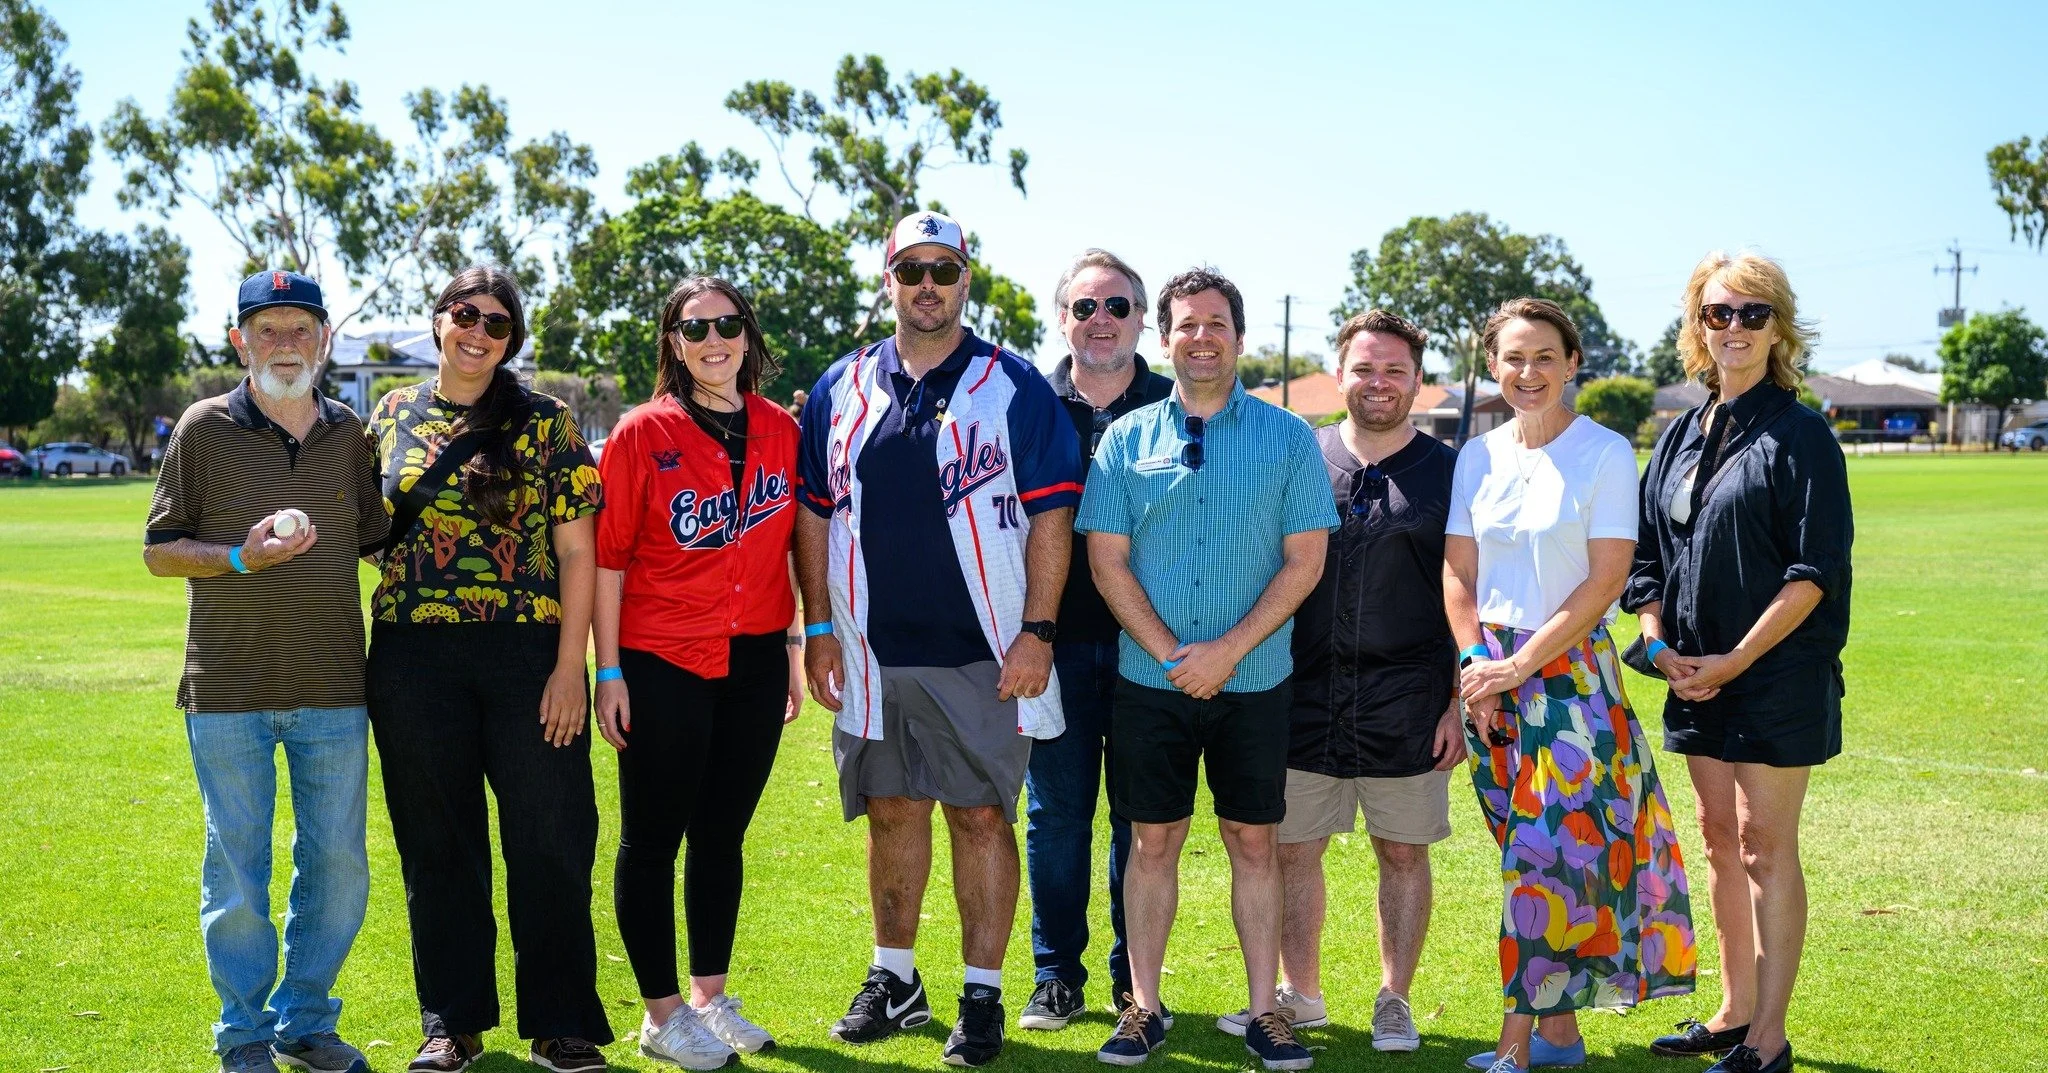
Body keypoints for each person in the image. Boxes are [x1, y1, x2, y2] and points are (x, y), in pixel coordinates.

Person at [795, 210, 1083, 1068]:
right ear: (889, 279)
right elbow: (813, 514)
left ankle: (983, 992)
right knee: (890, 813)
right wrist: (817, 627)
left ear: (966, 280)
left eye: (943, 270)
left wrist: (1037, 631)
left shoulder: (1013, 384)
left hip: (983, 650)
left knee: (982, 818)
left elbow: (1051, 515)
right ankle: (896, 977)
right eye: (911, 269)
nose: (928, 285)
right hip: (872, 648)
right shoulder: (839, 387)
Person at [1076, 268, 1337, 1071]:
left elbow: (1305, 561)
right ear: (1166, 338)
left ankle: (1267, 1013)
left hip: (1254, 682)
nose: (1201, 336)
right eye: (1186, 324)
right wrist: (1170, 652)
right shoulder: (1126, 440)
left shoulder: (1288, 436)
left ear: (1239, 336)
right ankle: (1144, 1008)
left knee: (1252, 842)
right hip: (1149, 683)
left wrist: (1226, 651)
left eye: (1215, 322)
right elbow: (1106, 559)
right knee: (1151, 843)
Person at [364, 265, 612, 1073]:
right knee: (436, 845)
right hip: (411, 657)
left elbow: (580, 551)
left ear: (512, 340)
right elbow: (367, 532)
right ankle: (453, 1024)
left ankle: (562, 1021)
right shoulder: (390, 413)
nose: (478, 332)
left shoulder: (546, 421)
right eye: (465, 314)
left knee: (551, 836)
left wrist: (570, 667)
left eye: (498, 323)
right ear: (439, 320)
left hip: (527, 656)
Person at [1444, 297, 1697, 1073]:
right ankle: (1560, 1036)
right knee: (1528, 850)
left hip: (1569, 681)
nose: (1529, 373)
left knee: (1542, 862)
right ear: (1492, 366)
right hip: (1487, 677)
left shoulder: (1606, 452)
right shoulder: (1476, 456)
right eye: (1513, 358)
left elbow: (1606, 579)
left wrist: (1519, 667)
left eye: (1545, 357)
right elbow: (1459, 571)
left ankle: (1513, 1052)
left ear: (1572, 362)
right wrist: (1475, 669)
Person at [144, 270, 385, 1073]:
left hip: (333, 686)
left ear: (323, 338)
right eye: (267, 329)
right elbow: (159, 549)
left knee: (341, 869)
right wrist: (242, 556)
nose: (286, 343)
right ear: (239, 339)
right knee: (237, 874)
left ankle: (305, 1020)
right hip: (227, 690)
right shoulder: (202, 427)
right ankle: (242, 1033)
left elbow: (381, 542)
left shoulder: (350, 432)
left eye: (300, 328)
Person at [1626, 252, 1851, 1073]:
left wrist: (1735, 658)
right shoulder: (1681, 433)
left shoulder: (1803, 434)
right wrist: (1657, 642)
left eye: (1753, 314)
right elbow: (1647, 557)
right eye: (1718, 313)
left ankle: (1769, 1038)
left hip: (1776, 675)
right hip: (1690, 671)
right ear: (1697, 325)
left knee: (1764, 844)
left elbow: (1814, 571)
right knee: (1719, 838)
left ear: (1779, 327)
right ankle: (1732, 1009)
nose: (1734, 328)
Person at [1221, 310, 1463, 1054]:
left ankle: (1395, 996)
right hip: (1304, 692)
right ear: (1341, 372)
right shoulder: (1300, 453)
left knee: (1401, 850)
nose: (1379, 382)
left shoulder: (1451, 469)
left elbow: (1469, 584)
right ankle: (1303, 992)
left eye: (1394, 369)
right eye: (1365, 368)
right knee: (1294, 848)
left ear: (1417, 380)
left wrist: (1457, 696)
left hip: (1411, 696)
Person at [592, 277, 805, 1069]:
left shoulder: (783, 428)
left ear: (747, 333)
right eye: (695, 328)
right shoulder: (642, 431)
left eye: (727, 324)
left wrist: (790, 648)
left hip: (751, 655)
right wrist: (607, 671)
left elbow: (790, 547)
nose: (713, 340)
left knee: (723, 833)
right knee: (653, 838)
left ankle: (710, 998)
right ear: (673, 343)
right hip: (660, 656)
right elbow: (608, 560)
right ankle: (660, 1013)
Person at [1018, 249, 1173, 1033]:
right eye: (1084, 308)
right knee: (1057, 815)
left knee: (1140, 820)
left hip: (1153, 645)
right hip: (1051, 645)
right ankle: (1056, 976)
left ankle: (1132, 980)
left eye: (1116, 306)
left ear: (1143, 319)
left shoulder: (1181, 407)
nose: (1101, 320)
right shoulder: (1025, 406)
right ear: (1063, 320)